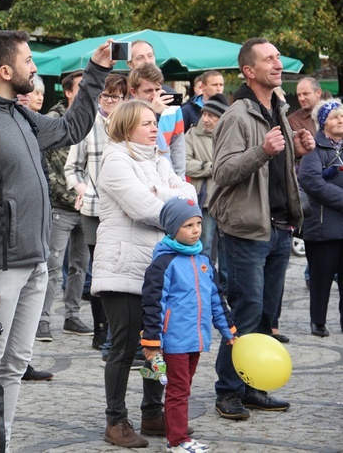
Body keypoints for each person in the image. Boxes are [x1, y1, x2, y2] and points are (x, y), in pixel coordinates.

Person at [0, 30, 112, 452]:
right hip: (0, 269)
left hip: (35, 263)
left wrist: (96, 72)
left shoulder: (22, 117)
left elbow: (73, 128)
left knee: (16, 363)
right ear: (5, 71)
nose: (34, 69)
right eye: (27, 61)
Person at [209, 37, 315, 420]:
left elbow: (274, 170)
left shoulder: (279, 110)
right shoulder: (237, 115)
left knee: (267, 314)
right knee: (244, 311)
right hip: (245, 229)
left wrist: (296, 149)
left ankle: (253, 386)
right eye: (268, 59)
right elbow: (221, 172)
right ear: (249, 71)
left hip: (279, 226)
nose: (278, 63)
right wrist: (263, 151)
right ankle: (228, 391)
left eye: (278, 58)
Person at [91, 99, 196, 448]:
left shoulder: (158, 159)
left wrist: (165, 193)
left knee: (156, 342)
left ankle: (153, 412)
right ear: (126, 126)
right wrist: (171, 197)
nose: (155, 128)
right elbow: (145, 208)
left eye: (155, 122)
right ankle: (115, 421)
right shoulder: (116, 159)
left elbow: (190, 198)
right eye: (146, 123)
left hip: (156, 266)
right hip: (122, 266)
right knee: (123, 347)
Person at [141, 196, 237, 453]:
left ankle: (178, 435)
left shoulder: (204, 261)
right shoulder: (163, 264)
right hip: (173, 341)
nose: (196, 230)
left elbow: (216, 298)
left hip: (196, 339)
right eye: (188, 226)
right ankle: (178, 440)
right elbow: (152, 305)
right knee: (178, 390)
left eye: (198, 223)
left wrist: (228, 330)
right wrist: (152, 342)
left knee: (182, 388)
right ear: (172, 229)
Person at [66, 73, 128, 351]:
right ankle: (101, 330)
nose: (110, 101)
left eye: (116, 96)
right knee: (99, 270)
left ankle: (120, 330)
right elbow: (72, 167)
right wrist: (84, 190)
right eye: (105, 95)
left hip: (126, 209)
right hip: (94, 210)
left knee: (122, 268)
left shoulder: (133, 123)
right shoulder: (89, 124)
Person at [36, 71, 98, 343]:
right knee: (51, 266)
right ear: (69, 92)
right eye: (81, 87)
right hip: (61, 206)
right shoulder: (52, 121)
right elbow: (45, 166)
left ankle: (72, 316)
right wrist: (69, 193)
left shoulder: (95, 120)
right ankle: (42, 319)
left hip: (86, 207)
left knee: (79, 267)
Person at [299, 99, 343, 337]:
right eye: (336, 116)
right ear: (324, 122)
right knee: (321, 278)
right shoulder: (313, 148)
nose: (341, 120)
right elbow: (312, 182)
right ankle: (318, 321)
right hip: (323, 226)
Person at [185, 94, 229, 253]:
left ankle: (225, 279)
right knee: (203, 247)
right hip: (204, 201)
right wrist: (213, 167)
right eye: (204, 114)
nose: (205, 119)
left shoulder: (230, 136)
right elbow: (184, 164)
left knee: (227, 250)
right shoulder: (191, 134)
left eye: (211, 116)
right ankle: (203, 277)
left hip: (227, 202)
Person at [128, 63, 186, 178]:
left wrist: (180, 179)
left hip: (167, 177)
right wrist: (154, 113)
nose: (155, 96)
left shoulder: (172, 109)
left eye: (158, 89)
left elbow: (178, 147)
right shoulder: (126, 114)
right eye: (148, 91)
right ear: (134, 92)